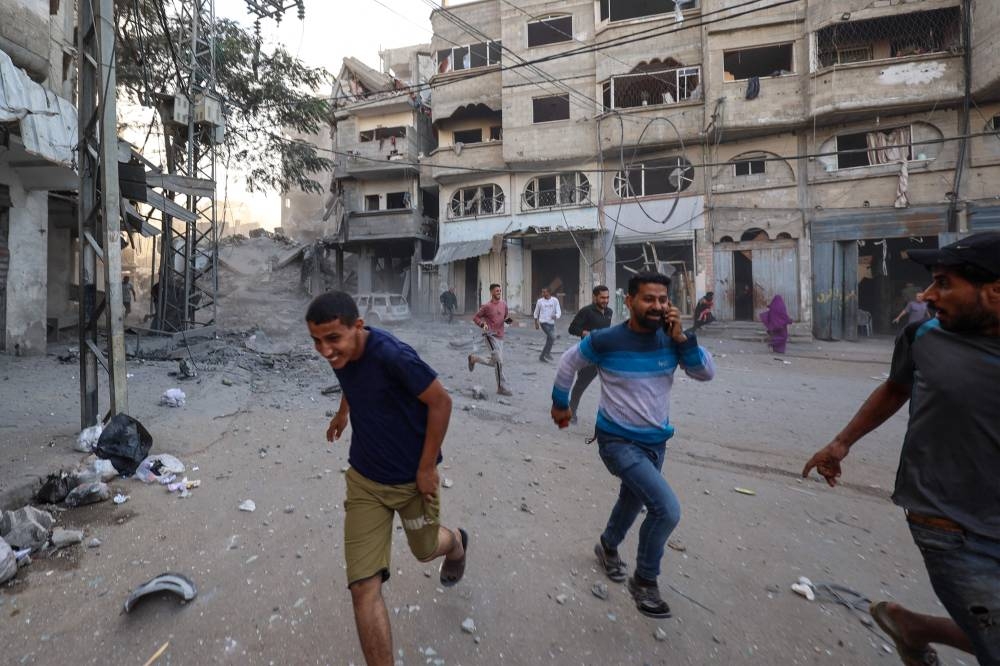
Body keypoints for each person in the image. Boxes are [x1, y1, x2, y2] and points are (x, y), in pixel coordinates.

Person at [802, 231, 1000, 666]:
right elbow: (896, 388)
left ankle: (913, 626)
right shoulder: (924, 336)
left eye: (944, 283)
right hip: (948, 523)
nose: (928, 295)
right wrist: (840, 443)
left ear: (995, 291)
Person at [305, 291, 468, 666]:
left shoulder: (394, 355)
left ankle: (457, 542)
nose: (325, 350)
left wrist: (426, 468)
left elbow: (441, 402)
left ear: (358, 327)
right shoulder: (339, 354)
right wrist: (342, 413)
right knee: (363, 587)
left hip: (412, 482)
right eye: (316, 340)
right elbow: (349, 378)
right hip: (364, 481)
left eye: (332, 338)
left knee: (425, 550)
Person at [550, 272, 716, 619]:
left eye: (662, 300)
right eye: (648, 299)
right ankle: (645, 580)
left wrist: (683, 338)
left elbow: (704, 373)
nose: (656, 306)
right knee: (666, 509)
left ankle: (607, 546)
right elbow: (569, 363)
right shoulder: (607, 339)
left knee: (633, 497)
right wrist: (560, 403)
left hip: (656, 444)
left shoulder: (673, 340)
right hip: (617, 441)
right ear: (629, 301)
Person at [566, 285, 612, 424]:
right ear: (595, 297)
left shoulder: (609, 311)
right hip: (588, 356)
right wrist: (586, 333)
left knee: (614, 385)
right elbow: (572, 328)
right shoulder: (586, 311)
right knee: (581, 385)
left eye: (607, 297)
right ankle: (571, 413)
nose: (605, 300)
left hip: (604, 356)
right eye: (602, 297)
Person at [468, 283, 513, 396]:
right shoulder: (487, 306)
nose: (499, 292)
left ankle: (474, 359)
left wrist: (508, 321)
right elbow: (476, 317)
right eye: (497, 291)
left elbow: (505, 316)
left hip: (500, 336)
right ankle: (501, 387)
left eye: (499, 290)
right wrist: (483, 325)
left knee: (496, 362)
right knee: (498, 361)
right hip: (490, 336)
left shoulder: (503, 304)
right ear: (492, 292)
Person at [533, 287, 562, 362]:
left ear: (549, 292)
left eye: (544, 292)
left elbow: (559, 311)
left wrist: (556, 316)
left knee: (549, 340)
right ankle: (547, 353)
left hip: (551, 323)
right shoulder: (540, 301)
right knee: (552, 337)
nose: (543, 294)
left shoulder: (555, 300)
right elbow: (536, 312)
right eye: (542, 292)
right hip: (543, 322)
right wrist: (536, 323)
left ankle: (542, 356)